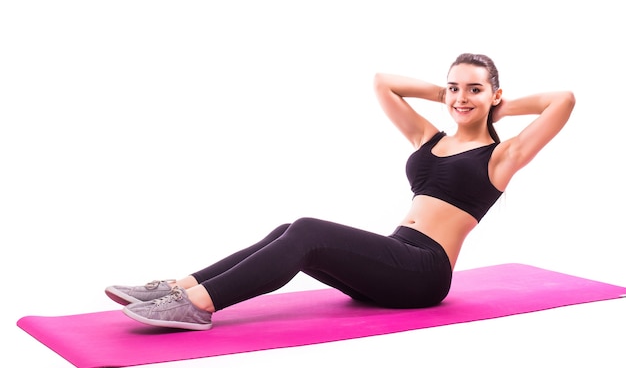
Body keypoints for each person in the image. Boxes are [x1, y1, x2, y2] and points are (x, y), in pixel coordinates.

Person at [105, 53, 575, 331]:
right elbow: (382, 83)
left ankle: (199, 307)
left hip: (425, 273)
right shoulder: (430, 138)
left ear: (495, 94)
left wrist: (496, 106)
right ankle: (180, 286)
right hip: (397, 253)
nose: (460, 98)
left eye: (474, 89)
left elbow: (563, 101)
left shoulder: (501, 155)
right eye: (454, 88)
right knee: (289, 230)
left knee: (308, 229)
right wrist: (446, 95)